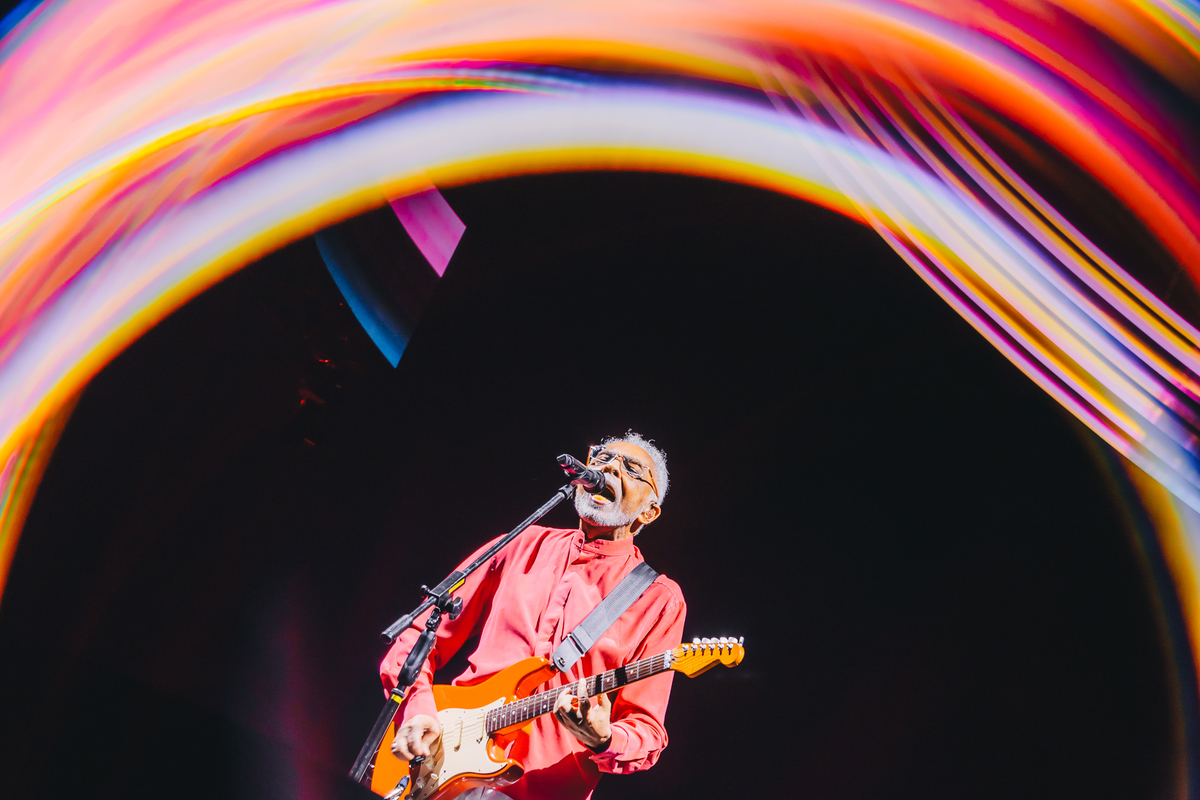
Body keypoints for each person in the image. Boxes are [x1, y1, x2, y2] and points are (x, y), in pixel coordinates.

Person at [379, 432, 686, 800]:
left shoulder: (658, 599)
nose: (610, 469)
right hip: (442, 766)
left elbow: (647, 731)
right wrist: (417, 708)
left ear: (649, 511)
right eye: (603, 459)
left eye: (631, 469)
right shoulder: (520, 544)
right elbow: (419, 636)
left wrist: (605, 738)